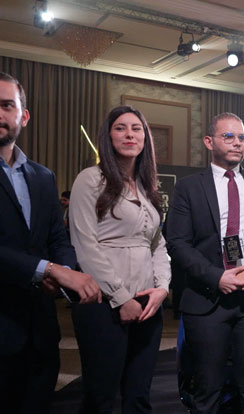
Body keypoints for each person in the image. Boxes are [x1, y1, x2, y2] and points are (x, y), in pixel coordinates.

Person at [0, 71, 101, 413]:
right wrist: (50, 270)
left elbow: (56, 238)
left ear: (23, 116)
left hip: (37, 336)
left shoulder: (43, 176)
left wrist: (63, 271)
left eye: (6, 105)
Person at [165, 112, 244, 413]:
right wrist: (216, 277)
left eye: (242, 137)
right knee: (206, 390)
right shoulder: (188, 187)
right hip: (207, 300)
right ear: (209, 142)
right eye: (229, 136)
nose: (237, 143)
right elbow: (177, 243)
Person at [68, 106, 171, 413]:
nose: (129, 134)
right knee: (100, 397)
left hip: (148, 303)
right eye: (120, 128)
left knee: (139, 396)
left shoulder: (147, 186)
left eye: (136, 128)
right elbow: (85, 245)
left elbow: (157, 244)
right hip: (103, 303)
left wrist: (162, 289)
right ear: (108, 136)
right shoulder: (90, 179)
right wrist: (121, 298)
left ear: (145, 138)